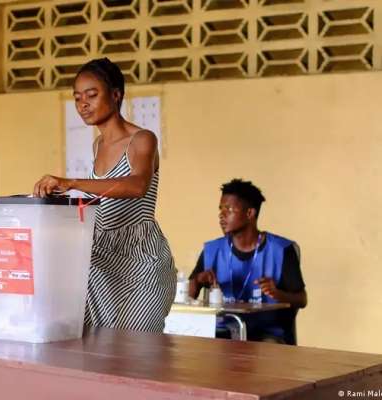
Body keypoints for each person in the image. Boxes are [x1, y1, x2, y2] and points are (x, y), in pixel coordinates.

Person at [33, 58, 176, 333]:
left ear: (116, 94)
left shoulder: (142, 139)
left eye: (91, 95)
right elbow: (105, 200)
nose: (82, 104)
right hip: (100, 257)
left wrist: (72, 182)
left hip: (139, 258)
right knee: (96, 348)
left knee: (138, 349)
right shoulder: (98, 144)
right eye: (77, 98)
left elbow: (136, 186)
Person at [189, 178, 307, 344]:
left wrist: (278, 294)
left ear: (250, 213)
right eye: (220, 209)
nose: (221, 215)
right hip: (221, 332)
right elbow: (188, 296)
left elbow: (302, 299)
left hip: (266, 335)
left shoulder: (281, 250)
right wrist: (198, 280)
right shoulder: (212, 250)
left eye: (229, 209)